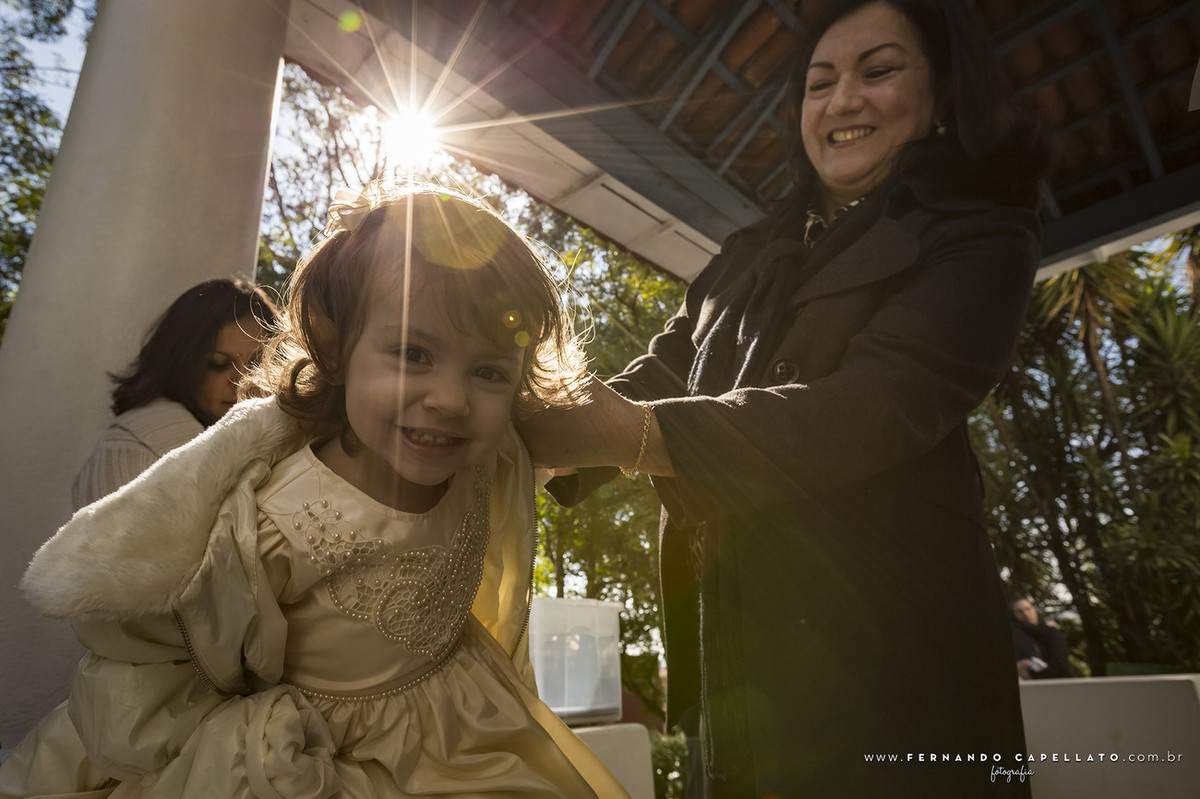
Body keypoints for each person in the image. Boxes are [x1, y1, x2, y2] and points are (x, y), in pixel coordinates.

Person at [518, 0, 1049, 794]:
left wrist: (631, 436)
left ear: (941, 97)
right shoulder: (745, 253)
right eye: (819, 82)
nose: (841, 102)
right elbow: (659, 375)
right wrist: (514, 431)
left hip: (889, 663)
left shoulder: (982, 236)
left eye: (879, 72)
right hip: (732, 650)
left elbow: (873, 404)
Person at [0, 185, 626, 798]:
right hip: (320, 759)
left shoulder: (484, 463)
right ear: (332, 347)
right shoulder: (279, 519)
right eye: (412, 353)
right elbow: (175, 662)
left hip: (468, 719)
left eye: (488, 370)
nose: (451, 400)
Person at [70, 278, 277, 509]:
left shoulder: (259, 445)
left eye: (257, 364)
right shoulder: (140, 447)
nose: (241, 382)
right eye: (218, 363)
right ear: (179, 362)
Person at [1012, 597, 1071, 679]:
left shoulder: (1051, 632)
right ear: (1015, 615)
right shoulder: (1016, 634)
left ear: (1034, 609)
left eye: (1027, 609)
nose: (1025, 614)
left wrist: (1029, 666)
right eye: (1020, 612)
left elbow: (1060, 666)